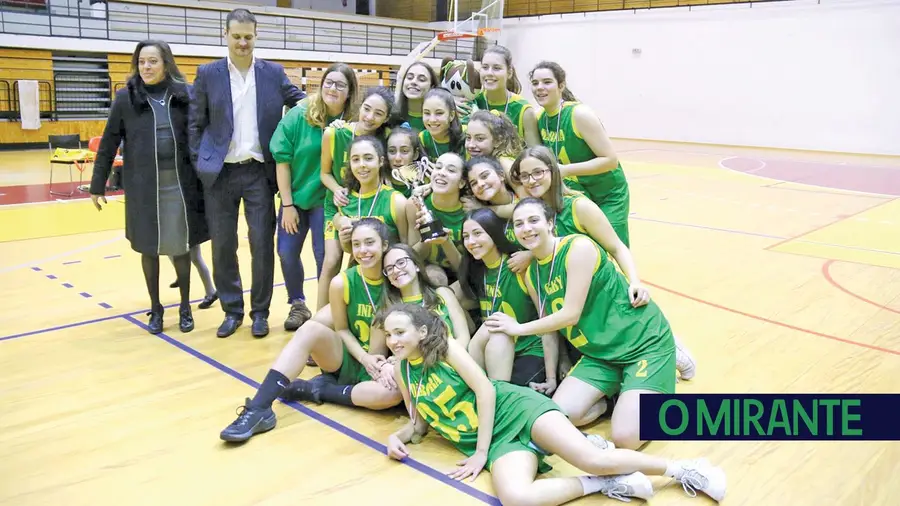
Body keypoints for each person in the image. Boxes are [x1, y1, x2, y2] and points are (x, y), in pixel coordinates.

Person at [382, 303, 726, 505]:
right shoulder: (402, 370)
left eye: (400, 332)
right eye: (388, 335)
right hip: (498, 440)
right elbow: (420, 422)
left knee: (591, 458)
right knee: (516, 498)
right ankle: (603, 483)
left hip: (513, 409)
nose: (392, 340)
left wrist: (481, 453)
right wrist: (398, 436)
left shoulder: (447, 351)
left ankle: (683, 469)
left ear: (422, 333)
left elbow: (486, 391)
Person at [485, 198, 683, 451]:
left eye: (534, 220)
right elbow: (550, 328)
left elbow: (570, 315)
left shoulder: (578, 248)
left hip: (643, 344)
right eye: (519, 224)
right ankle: (614, 401)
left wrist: (518, 328)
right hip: (601, 355)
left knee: (626, 438)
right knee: (559, 416)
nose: (527, 228)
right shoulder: (533, 275)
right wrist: (551, 378)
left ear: (550, 223)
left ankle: (658, 385)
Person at [510, 146, 696, 380]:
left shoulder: (579, 206)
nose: (531, 180)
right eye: (524, 176)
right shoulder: (530, 214)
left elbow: (617, 246)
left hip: (601, 295)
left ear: (553, 171)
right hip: (575, 306)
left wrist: (635, 281)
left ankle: (670, 349)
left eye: (538, 172)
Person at [219, 219, 402, 443]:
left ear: (385, 245)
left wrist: (391, 365)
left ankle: (316, 391)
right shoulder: (342, 282)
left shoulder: (397, 279)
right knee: (309, 329)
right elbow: (338, 327)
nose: (362, 250)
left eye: (369, 243)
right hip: (349, 358)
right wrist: (362, 357)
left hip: (381, 368)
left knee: (393, 396)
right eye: (356, 244)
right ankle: (259, 408)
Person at [189, 8, 305, 339]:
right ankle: (232, 310)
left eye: (248, 37)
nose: (242, 42)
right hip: (219, 174)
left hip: (258, 173)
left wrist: (329, 107)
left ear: (256, 36)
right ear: (225, 36)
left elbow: (300, 101)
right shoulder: (208, 73)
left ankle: (260, 312)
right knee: (223, 245)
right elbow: (195, 123)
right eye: (237, 36)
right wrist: (202, 160)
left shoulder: (272, 73)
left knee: (261, 244)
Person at [90, 39, 208, 334]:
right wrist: (97, 184)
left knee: (181, 248)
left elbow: (206, 134)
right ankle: (156, 308)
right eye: (142, 61)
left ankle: (184, 307)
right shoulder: (125, 98)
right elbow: (108, 144)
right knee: (149, 249)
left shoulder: (185, 95)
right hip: (145, 189)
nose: (146, 67)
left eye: (153, 61)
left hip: (180, 187)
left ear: (166, 63)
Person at [270, 62, 359, 329]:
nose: (333, 89)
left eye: (340, 85)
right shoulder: (299, 116)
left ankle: (327, 315)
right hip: (295, 200)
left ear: (349, 92)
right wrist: (287, 204)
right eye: (328, 83)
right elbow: (282, 161)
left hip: (328, 203)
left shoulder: (353, 125)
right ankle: (298, 305)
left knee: (326, 260)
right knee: (286, 252)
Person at [529, 61, 631, 247]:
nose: (540, 88)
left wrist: (564, 170)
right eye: (535, 83)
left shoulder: (579, 114)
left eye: (547, 82)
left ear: (561, 85)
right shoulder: (539, 118)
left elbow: (610, 161)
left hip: (608, 194)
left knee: (610, 248)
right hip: (578, 193)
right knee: (581, 248)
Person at [317, 87, 394, 313]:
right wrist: (337, 189)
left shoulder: (385, 139)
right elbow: (324, 173)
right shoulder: (335, 133)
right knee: (332, 261)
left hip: (369, 202)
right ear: (359, 107)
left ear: (386, 118)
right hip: (339, 204)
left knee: (363, 259)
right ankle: (319, 317)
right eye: (367, 109)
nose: (370, 117)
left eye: (378, 113)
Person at [458, 208, 551, 390]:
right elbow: (446, 296)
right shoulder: (476, 270)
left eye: (477, 234)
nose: (471, 242)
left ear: (493, 233)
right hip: (493, 349)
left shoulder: (519, 266)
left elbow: (547, 319)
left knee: (512, 395)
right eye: (466, 236)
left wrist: (554, 371)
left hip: (530, 349)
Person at [379, 243, 470, 347]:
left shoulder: (442, 293)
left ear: (416, 265)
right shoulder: (388, 309)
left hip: (454, 358)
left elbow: (464, 337)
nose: (396, 270)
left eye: (401, 262)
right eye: (389, 268)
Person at [473, 45, 540, 147]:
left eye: (497, 68)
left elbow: (535, 154)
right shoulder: (473, 101)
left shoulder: (524, 110)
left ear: (509, 73)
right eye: (485, 67)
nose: (489, 73)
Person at [391, 61, 439, 133]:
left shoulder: (439, 119)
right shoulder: (391, 116)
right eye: (409, 77)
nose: (413, 82)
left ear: (432, 86)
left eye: (421, 79)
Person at [419, 88, 466, 159]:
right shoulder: (423, 137)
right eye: (427, 113)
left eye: (439, 113)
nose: (432, 120)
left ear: (451, 115)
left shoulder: (466, 134)